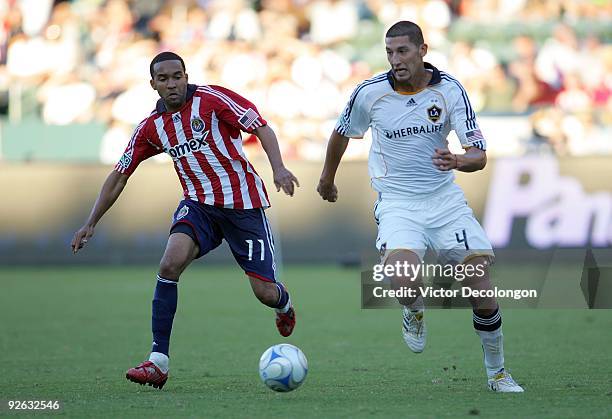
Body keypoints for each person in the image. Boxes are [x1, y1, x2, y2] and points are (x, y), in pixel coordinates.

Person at [71, 51, 299, 390]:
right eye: (163, 79)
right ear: (153, 85)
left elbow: (261, 127)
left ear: (185, 75)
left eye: (177, 76)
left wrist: (278, 168)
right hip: (199, 207)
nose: (172, 83)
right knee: (169, 264)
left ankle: (285, 305)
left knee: (265, 293)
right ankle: (158, 362)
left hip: (244, 206)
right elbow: (120, 174)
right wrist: (91, 221)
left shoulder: (211, 100)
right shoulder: (151, 128)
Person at [317, 21, 523, 393]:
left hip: (445, 202)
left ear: (422, 50)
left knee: (480, 283)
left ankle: (498, 373)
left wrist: (457, 160)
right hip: (397, 203)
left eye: (403, 51)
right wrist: (327, 178)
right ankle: (413, 309)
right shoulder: (370, 93)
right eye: (389, 52)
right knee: (403, 277)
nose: (395, 60)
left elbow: (479, 155)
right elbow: (342, 132)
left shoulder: (450, 90)